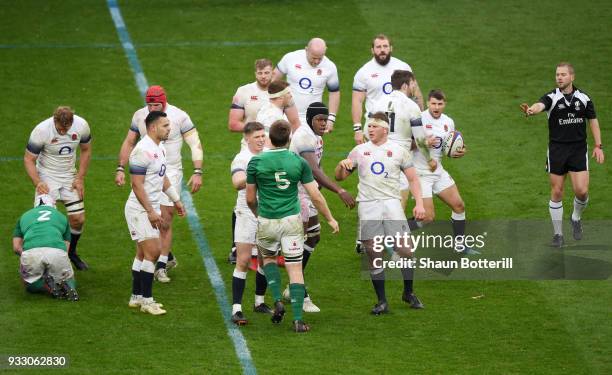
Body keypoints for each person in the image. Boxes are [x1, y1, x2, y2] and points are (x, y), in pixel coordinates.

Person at [246, 120, 339, 333]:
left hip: (267, 220)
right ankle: (298, 320)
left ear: (270, 138)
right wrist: (330, 218)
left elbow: (250, 198)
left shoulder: (255, 162)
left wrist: (258, 214)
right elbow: (315, 195)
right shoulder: (298, 162)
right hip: (292, 222)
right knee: (295, 268)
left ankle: (277, 299)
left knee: (268, 259)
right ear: (289, 139)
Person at [335, 112, 426, 315]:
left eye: (374, 127)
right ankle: (382, 301)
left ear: (384, 129)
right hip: (368, 206)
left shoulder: (399, 151)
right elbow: (340, 177)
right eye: (369, 126)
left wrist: (419, 203)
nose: (370, 130)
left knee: (406, 250)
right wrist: (341, 166)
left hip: (392, 204)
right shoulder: (359, 151)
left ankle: (408, 292)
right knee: (374, 253)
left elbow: (413, 179)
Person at [115, 85, 203, 282]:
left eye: (157, 104)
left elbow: (194, 142)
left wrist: (197, 170)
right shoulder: (140, 116)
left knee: (165, 218)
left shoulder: (179, 116)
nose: (153, 108)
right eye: (150, 104)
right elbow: (129, 141)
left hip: (169, 170)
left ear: (164, 101)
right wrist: (120, 167)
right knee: (150, 220)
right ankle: (157, 260)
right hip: (147, 170)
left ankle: (161, 264)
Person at [521, 62, 604, 247]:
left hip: (578, 150)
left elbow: (593, 121)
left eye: (563, 74)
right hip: (557, 150)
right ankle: (558, 235)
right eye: (557, 74)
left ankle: (575, 218)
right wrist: (532, 110)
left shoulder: (583, 98)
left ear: (572, 77)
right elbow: (540, 105)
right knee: (557, 191)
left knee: (582, 192)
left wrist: (598, 145)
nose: (559, 77)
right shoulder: (552, 97)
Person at [227, 61, 301, 264]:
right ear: (283, 96)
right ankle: (254, 248)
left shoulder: (274, 111)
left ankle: (263, 246)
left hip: (264, 158)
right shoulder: (270, 114)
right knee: (251, 202)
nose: (292, 97)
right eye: (289, 94)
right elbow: (266, 144)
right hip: (260, 160)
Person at [285, 102, 355, 312]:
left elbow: (317, 167)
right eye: (319, 120)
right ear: (310, 119)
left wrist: (318, 189)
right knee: (299, 243)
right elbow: (313, 170)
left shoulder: (316, 137)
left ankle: (291, 287)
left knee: (313, 238)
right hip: (296, 196)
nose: (323, 124)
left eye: (325, 120)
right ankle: (300, 293)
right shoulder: (304, 137)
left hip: (306, 193)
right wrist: (339, 191)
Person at [125, 111, 186, 315]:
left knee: (142, 253)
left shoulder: (160, 148)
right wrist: (150, 211)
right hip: (139, 210)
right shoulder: (142, 151)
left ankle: (136, 297)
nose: (170, 129)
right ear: (153, 128)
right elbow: (136, 185)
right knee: (153, 251)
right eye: (165, 126)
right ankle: (147, 301)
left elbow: (163, 178)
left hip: (147, 208)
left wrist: (176, 200)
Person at [408, 89, 478, 254]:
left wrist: (459, 151)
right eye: (433, 103)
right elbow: (406, 144)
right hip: (420, 174)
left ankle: (459, 245)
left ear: (444, 104)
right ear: (427, 103)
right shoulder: (419, 119)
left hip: (437, 171)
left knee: (459, 205)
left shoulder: (449, 122)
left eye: (440, 104)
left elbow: (450, 146)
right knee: (427, 218)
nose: (436, 107)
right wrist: (423, 142)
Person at [24, 106, 91, 271]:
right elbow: (28, 159)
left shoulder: (82, 125)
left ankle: (71, 253)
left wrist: (80, 178)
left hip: (69, 176)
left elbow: (86, 150)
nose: (63, 132)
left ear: (72, 122)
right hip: (47, 177)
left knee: (78, 219)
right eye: (60, 129)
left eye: (66, 128)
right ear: (54, 121)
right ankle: (43, 263)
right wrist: (38, 182)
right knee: (45, 222)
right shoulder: (41, 131)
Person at [369, 70, 435, 210]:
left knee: (374, 207)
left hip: (377, 159)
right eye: (412, 84)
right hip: (399, 160)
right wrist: (430, 160)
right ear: (405, 86)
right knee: (396, 213)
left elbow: (367, 133)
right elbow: (420, 140)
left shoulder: (377, 103)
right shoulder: (411, 106)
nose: (414, 88)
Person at [229, 122, 273, 325]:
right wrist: (254, 175)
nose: (262, 140)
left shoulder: (269, 154)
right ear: (247, 139)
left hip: (267, 213)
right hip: (247, 213)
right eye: (257, 137)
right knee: (244, 260)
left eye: (263, 136)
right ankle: (236, 309)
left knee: (266, 258)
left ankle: (259, 301)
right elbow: (237, 182)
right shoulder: (242, 159)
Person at [352, 34, 424, 145]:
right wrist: (358, 129)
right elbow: (357, 101)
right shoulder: (363, 72)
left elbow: (416, 93)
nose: (382, 50)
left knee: (402, 158)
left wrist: (420, 120)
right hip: (376, 124)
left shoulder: (403, 67)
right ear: (372, 50)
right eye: (378, 47)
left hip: (402, 125)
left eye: (385, 46)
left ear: (391, 48)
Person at [12, 194, 79, 301]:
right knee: (67, 277)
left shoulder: (24, 216)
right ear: (53, 205)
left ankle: (46, 287)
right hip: (56, 251)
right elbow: (66, 249)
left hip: (31, 252)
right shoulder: (61, 217)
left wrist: (24, 257)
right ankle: (68, 286)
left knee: (28, 282)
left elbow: (16, 247)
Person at [273, 37, 340, 131]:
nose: (316, 61)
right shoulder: (290, 58)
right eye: (314, 58)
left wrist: (331, 119)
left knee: (310, 146)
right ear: (306, 50)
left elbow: (334, 92)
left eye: (320, 58)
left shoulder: (330, 67)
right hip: (287, 114)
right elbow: (273, 79)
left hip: (313, 118)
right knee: (283, 144)